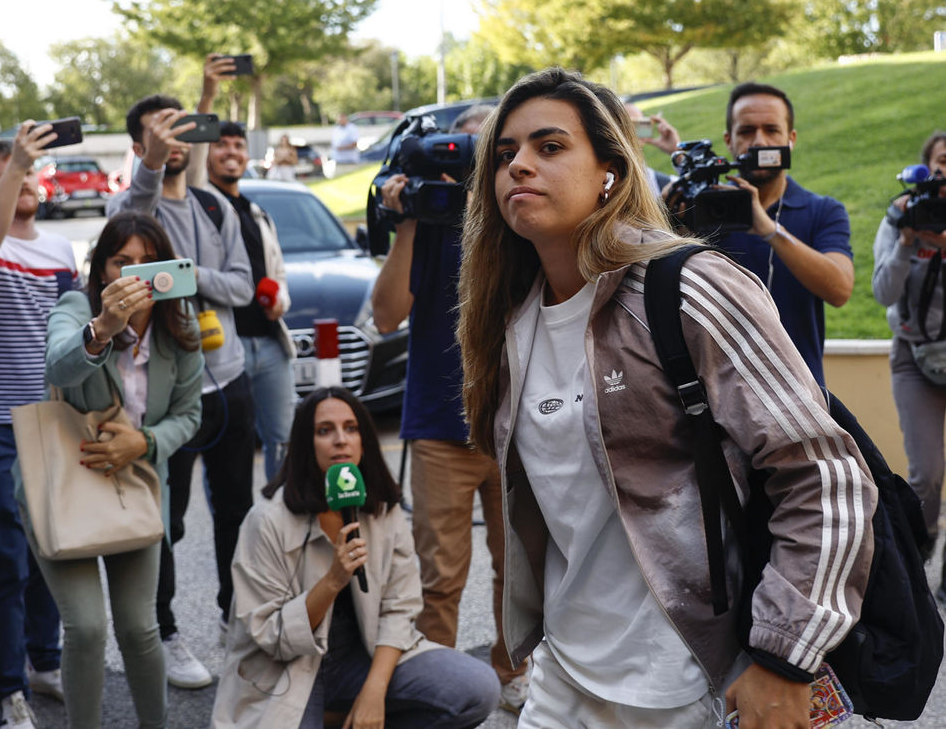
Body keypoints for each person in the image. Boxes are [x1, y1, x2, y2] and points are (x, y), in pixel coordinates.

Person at [456, 68, 876, 726]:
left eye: (550, 146)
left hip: (689, 684)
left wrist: (785, 656)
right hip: (562, 679)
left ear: (612, 173)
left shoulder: (687, 286)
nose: (520, 166)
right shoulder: (506, 324)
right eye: (504, 154)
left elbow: (827, 477)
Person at [370, 102, 531, 715]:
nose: (469, 165)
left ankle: (511, 670)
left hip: (520, 425)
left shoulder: (526, 221)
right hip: (441, 428)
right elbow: (385, 315)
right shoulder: (432, 223)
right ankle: (437, 681)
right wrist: (408, 220)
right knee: (439, 575)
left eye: (486, 151)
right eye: (460, 149)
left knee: (519, 571)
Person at [212, 387, 501, 728]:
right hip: (290, 669)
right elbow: (269, 636)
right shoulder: (266, 520)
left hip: (360, 660)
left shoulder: (381, 509)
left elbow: (400, 608)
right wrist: (333, 580)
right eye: (324, 431)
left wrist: (374, 692)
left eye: (351, 428)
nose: (340, 440)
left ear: (364, 441)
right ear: (306, 444)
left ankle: (355, 714)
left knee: (477, 688)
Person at [24, 211, 204, 729]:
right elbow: (57, 365)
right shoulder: (75, 307)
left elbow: (191, 414)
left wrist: (144, 442)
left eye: (149, 263)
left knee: (139, 628)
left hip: (137, 485)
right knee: (84, 628)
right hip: (65, 486)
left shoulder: (179, 325)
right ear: (101, 270)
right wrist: (102, 329)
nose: (135, 275)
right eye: (122, 263)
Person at [109, 93, 256, 689]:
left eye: (178, 132)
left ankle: (236, 617)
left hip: (229, 376)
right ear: (141, 145)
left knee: (237, 511)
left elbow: (244, 288)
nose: (171, 143)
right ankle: (165, 630)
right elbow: (135, 215)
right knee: (167, 520)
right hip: (169, 390)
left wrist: (185, 277)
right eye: (156, 134)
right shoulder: (132, 211)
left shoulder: (216, 205)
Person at [0, 123, 79, 728]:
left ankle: (45, 660)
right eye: (12, 171)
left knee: (48, 555)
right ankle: (7, 691)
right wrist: (16, 165)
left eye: (32, 169)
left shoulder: (61, 252)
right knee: (5, 560)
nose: (27, 177)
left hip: (52, 423)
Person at [666, 82, 853, 386]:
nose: (759, 142)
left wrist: (766, 227)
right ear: (729, 140)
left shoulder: (823, 210)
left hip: (801, 390)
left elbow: (840, 289)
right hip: (716, 393)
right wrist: (674, 226)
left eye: (771, 130)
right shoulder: (701, 209)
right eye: (746, 131)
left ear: (790, 139)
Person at [190, 58, 295, 480]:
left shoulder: (258, 213)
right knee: (230, 458)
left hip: (270, 345)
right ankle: (237, 536)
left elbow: (279, 276)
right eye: (221, 145)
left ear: (248, 156)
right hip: (222, 347)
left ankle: (280, 526)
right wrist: (209, 94)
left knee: (284, 443)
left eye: (237, 146)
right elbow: (195, 156)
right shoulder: (199, 202)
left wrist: (279, 302)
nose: (230, 152)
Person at [872, 130, 946, 596]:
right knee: (926, 475)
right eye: (941, 161)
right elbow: (883, 292)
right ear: (926, 168)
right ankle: (922, 560)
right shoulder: (901, 214)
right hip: (912, 355)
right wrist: (907, 242)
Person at [623, 102, 679, 197]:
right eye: (627, 126)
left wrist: (677, 153)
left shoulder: (657, 181)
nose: (633, 132)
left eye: (641, 125)